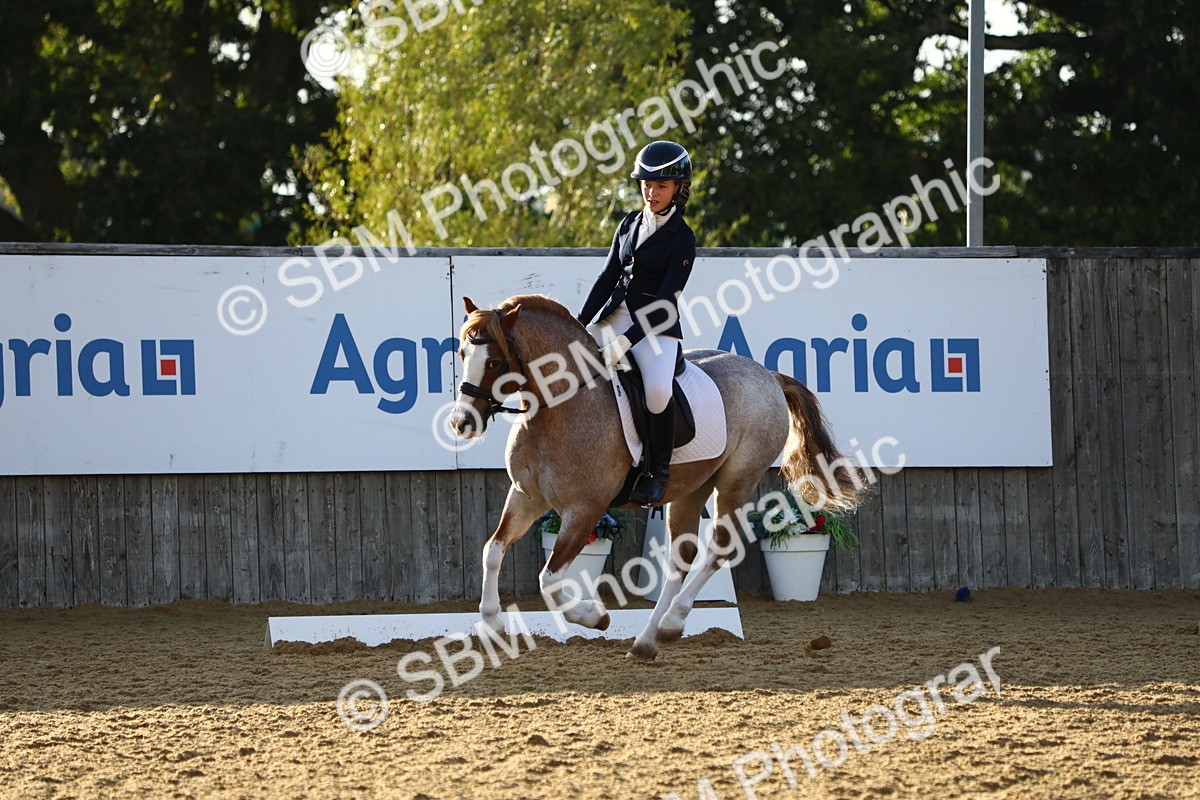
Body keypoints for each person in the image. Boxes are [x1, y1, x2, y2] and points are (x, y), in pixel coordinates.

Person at [576, 140, 697, 508]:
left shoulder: (683, 239)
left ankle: (657, 472)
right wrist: (579, 323)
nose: (651, 192)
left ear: (678, 189)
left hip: (655, 327)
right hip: (614, 316)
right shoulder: (628, 223)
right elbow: (607, 277)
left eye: (661, 186)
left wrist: (625, 342)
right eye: (646, 184)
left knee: (658, 391)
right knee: (569, 363)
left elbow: (665, 303)